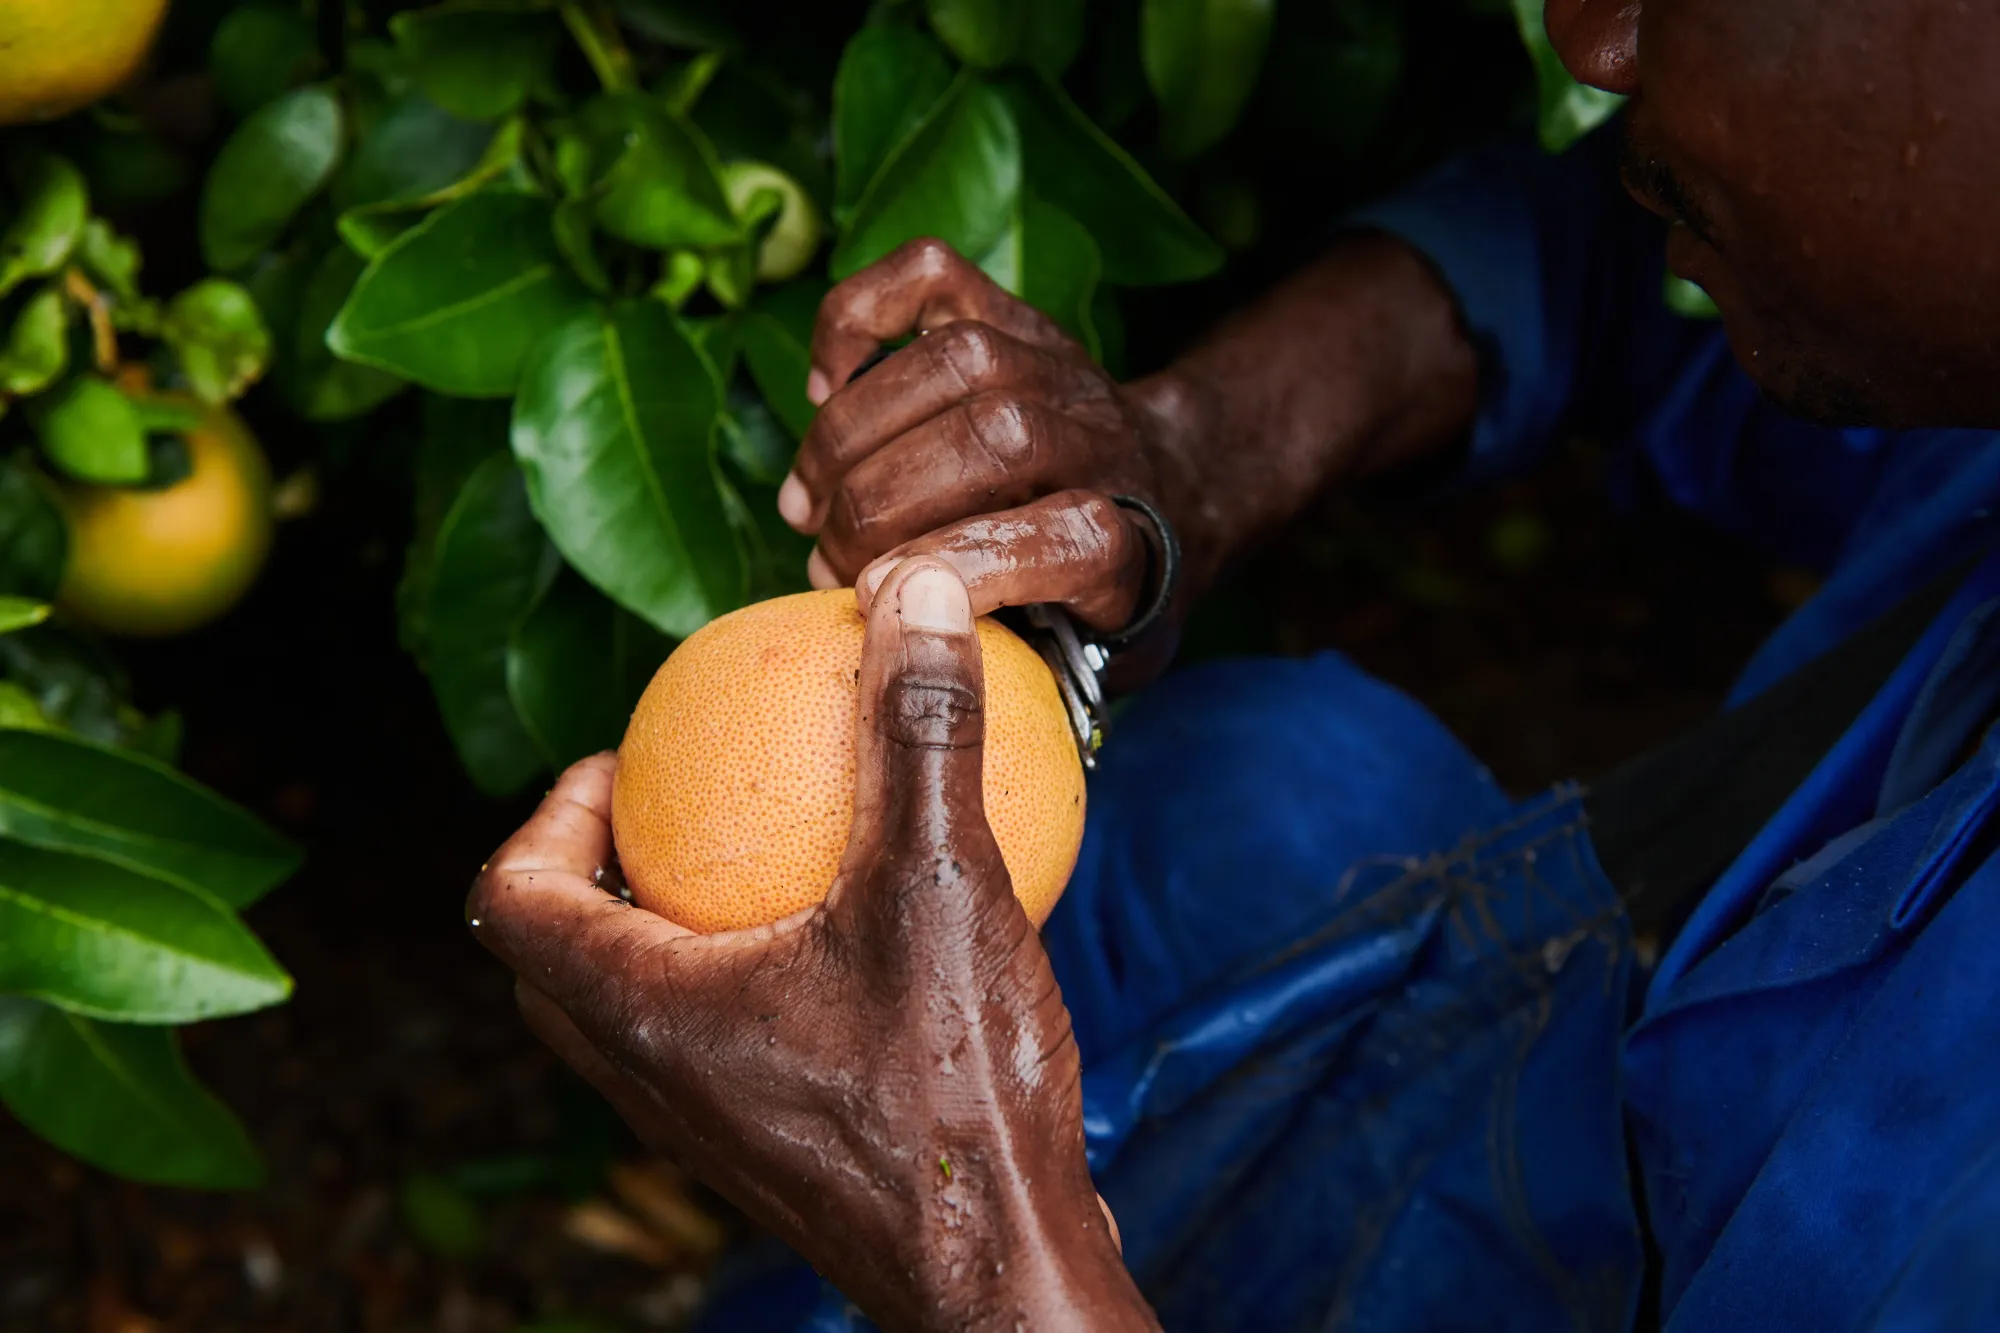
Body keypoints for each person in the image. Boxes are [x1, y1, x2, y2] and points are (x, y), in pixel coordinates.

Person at [468, 0, 2000, 1328]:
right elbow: (1662, 274)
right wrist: (1194, 458)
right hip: (1620, 1109)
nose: (1586, 41)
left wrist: (989, 1272)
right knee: (1259, 801)